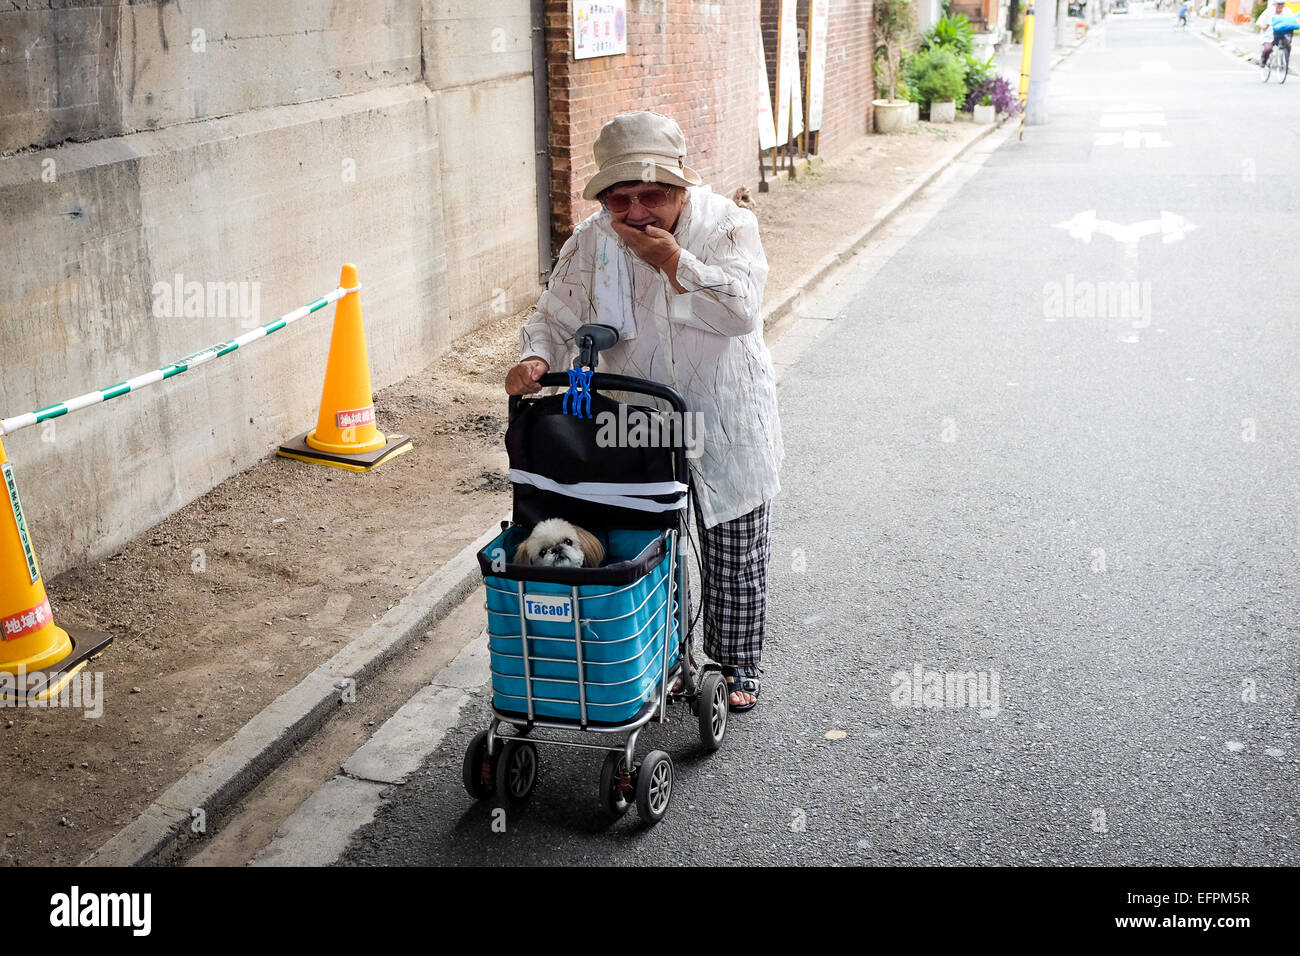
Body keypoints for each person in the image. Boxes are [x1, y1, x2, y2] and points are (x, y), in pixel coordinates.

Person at [505, 111, 783, 712]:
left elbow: (743, 311)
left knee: (732, 540)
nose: (635, 213)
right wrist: (533, 358)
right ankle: (664, 654)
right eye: (620, 198)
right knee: (648, 538)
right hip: (636, 415)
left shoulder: (728, 225)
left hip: (722, 408)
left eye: (652, 196)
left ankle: (736, 663)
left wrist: (674, 261)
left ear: (681, 185)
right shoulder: (592, 240)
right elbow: (557, 314)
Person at [1260, 1, 1297, 67]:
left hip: (1281, 35)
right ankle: (1263, 61)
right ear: (1274, 4)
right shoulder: (1268, 12)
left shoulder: (1287, 11)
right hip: (1269, 36)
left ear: (1284, 5)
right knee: (1268, 49)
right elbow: (1260, 23)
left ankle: (1285, 62)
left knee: (1288, 46)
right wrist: (1264, 27)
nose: (1280, 6)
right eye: (1278, 4)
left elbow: (1292, 21)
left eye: (1282, 4)